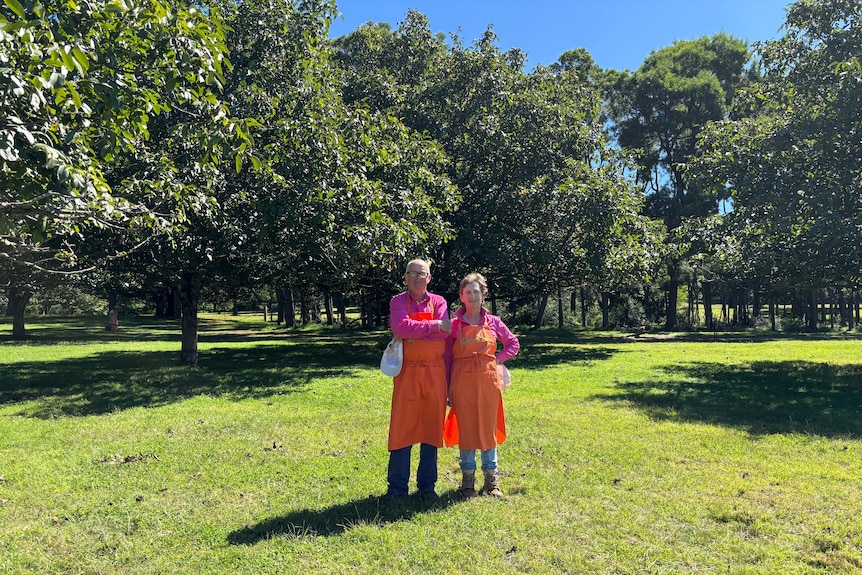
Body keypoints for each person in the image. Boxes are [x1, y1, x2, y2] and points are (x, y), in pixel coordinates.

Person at [445, 273, 519, 498]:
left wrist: (496, 359)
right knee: (466, 429)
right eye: (468, 292)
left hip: (488, 383)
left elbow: (513, 344)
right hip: (462, 382)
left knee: (488, 430)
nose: (472, 296)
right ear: (462, 296)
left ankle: (492, 482)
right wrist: (447, 387)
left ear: (483, 294)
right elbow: (447, 357)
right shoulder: (454, 324)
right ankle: (467, 483)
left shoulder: (494, 322)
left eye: (476, 291)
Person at [383, 258, 452, 500]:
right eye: (412, 273)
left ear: (429, 278)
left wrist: (417, 331)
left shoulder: (440, 302)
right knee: (403, 427)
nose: (417, 277)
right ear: (405, 276)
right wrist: (433, 326)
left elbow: (446, 334)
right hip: (408, 372)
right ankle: (397, 488)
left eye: (421, 274)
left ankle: (427, 487)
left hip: (435, 373)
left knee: (431, 429)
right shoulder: (398, 301)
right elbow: (401, 328)